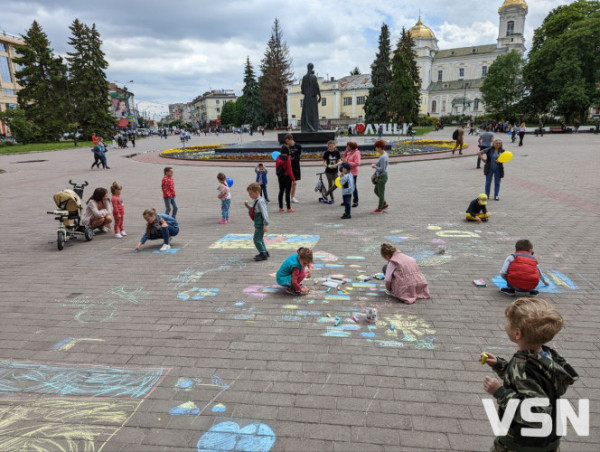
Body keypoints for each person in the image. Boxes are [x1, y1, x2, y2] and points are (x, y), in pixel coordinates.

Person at [481, 298, 578, 452]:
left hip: (521, 444)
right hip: (549, 440)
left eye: (508, 322)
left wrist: (500, 392)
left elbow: (536, 414)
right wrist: (500, 365)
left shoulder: (523, 366)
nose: (505, 325)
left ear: (517, 333)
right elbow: (528, 382)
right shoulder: (547, 356)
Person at [244, 182, 270, 261]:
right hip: (258, 223)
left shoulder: (260, 201)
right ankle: (265, 252)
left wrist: (265, 224)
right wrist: (248, 206)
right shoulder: (257, 200)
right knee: (260, 239)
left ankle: (263, 254)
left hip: (260, 224)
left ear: (257, 192)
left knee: (256, 239)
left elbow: (264, 213)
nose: (250, 196)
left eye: (251, 194)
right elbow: (254, 209)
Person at [300, 63, 321, 132]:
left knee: (306, 113)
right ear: (312, 68)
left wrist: (306, 92)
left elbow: (302, 90)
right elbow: (317, 87)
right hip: (313, 98)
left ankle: (306, 127)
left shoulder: (304, 77)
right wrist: (319, 95)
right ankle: (314, 127)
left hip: (306, 98)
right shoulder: (314, 77)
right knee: (313, 113)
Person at [276, 145, 296, 213]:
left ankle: (280, 208)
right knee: (287, 192)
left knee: (281, 191)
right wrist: (293, 179)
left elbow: (276, 168)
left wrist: (278, 175)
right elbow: (290, 170)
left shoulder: (278, 157)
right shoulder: (288, 159)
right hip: (287, 177)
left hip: (280, 176)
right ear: (287, 151)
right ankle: (288, 208)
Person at [371, 140, 389, 213]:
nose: (375, 149)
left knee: (381, 192)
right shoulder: (383, 154)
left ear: (380, 148)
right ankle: (384, 203)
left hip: (382, 176)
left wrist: (374, 166)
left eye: (376, 147)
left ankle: (380, 208)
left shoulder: (383, 157)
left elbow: (382, 169)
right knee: (376, 191)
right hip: (381, 176)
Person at [341, 141, 361, 207]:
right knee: (345, 186)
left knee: (353, 187)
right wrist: (346, 152)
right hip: (347, 172)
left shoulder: (356, 153)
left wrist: (348, 162)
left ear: (352, 147)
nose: (347, 147)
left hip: (353, 173)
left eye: (348, 146)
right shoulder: (350, 152)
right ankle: (346, 200)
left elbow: (357, 163)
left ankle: (356, 201)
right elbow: (343, 158)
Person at [285, 134, 302, 203]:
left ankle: (292, 197)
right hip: (288, 167)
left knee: (294, 183)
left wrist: (294, 159)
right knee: (288, 183)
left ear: (291, 139)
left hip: (296, 166)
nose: (287, 143)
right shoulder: (286, 147)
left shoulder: (298, 146)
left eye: (287, 141)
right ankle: (287, 198)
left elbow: (299, 155)